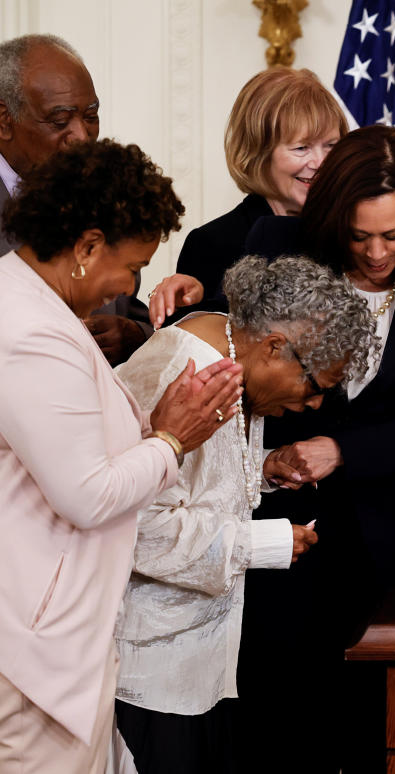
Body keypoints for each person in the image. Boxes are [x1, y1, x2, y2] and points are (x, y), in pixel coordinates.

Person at [235, 124, 395, 774]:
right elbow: (238, 366)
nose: (377, 253)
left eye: (393, 236)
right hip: (282, 538)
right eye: (360, 235)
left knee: (392, 734)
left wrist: (340, 448)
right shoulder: (277, 247)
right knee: (286, 732)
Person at [0, 138, 241, 773]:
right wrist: (170, 441)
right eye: (132, 267)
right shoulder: (29, 331)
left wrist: (159, 429)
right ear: (85, 247)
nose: (131, 286)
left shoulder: (38, 310)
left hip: (58, 641)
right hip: (33, 653)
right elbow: (87, 495)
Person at [111, 255, 377, 774]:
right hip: (147, 671)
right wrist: (265, 544)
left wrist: (263, 467)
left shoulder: (232, 357)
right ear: (275, 347)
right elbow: (134, 525)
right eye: (314, 385)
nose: (317, 403)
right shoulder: (180, 369)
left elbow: (191, 481)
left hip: (198, 662)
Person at [0, 33, 154, 364]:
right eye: (60, 120)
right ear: (4, 121)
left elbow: (130, 305)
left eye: (91, 116)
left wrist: (135, 334)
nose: (82, 136)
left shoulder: (105, 195)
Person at [168, 67, 345, 315]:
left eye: (331, 145)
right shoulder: (212, 244)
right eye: (302, 148)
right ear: (259, 153)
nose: (320, 163)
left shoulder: (352, 235)